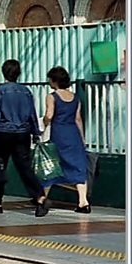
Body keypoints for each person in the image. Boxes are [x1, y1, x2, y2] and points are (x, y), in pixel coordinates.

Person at [0, 59, 48, 216]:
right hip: (23, 133)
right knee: (25, 167)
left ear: (3, 73)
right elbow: (32, 114)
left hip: (3, 134)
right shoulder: (26, 92)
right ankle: (39, 196)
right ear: (18, 73)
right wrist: (35, 133)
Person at [39, 66, 90, 214]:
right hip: (73, 134)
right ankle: (83, 202)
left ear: (54, 81)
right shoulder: (75, 98)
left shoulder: (52, 96)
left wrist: (43, 123)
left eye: (50, 79)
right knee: (78, 167)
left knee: (51, 167)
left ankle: (42, 199)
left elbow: (49, 115)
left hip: (58, 134)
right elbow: (78, 119)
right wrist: (82, 138)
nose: (48, 81)